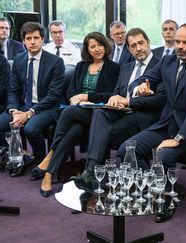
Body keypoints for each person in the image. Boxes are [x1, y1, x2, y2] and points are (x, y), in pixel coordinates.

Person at [119, 23, 186, 223]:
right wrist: (139, 88)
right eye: (178, 41)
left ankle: (165, 201)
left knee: (163, 155)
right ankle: (155, 188)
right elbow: (143, 79)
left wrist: (179, 138)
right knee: (126, 149)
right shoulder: (167, 61)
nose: (179, 46)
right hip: (166, 125)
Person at [32, 32, 120, 197]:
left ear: (105, 46)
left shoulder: (113, 67)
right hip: (79, 111)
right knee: (74, 130)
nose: (96, 49)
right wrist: (77, 99)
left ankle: (50, 157)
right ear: (87, 49)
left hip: (99, 113)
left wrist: (86, 97)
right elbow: (71, 90)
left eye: (99, 45)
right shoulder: (81, 66)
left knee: (68, 113)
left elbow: (110, 94)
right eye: (92, 46)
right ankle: (49, 174)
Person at [71, 28, 163, 184]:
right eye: (133, 46)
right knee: (99, 112)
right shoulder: (126, 67)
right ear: (128, 49)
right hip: (121, 112)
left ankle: (92, 173)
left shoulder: (160, 65)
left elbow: (160, 100)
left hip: (144, 116)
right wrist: (114, 97)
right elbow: (116, 92)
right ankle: (92, 171)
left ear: (148, 43)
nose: (138, 48)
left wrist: (130, 101)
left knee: (99, 134)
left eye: (141, 43)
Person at [0, 22, 65, 177]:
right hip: (21, 106)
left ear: (43, 39)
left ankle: (41, 164)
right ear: (23, 41)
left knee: (31, 129)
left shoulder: (55, 62)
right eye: (28, 38)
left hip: (47, 107)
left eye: (36, 37)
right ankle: (22, 155)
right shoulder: (19, 59)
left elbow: (53, 95)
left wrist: (29, 113)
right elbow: (13, 90)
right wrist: (14, 110)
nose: (32, 41)